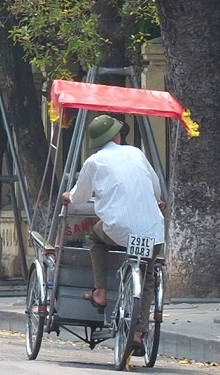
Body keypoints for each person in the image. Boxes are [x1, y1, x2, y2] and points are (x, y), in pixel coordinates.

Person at [60, 114, 165, 317]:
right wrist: (157, 201)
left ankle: (100, 290)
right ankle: (138, 331)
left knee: (94, 236)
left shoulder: (94, 162)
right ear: (117, 135)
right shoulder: (136, 153)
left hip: (119, 230)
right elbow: (155, 186)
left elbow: (79, 197)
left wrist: (68, 196)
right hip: (152, 229)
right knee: (148, 277)